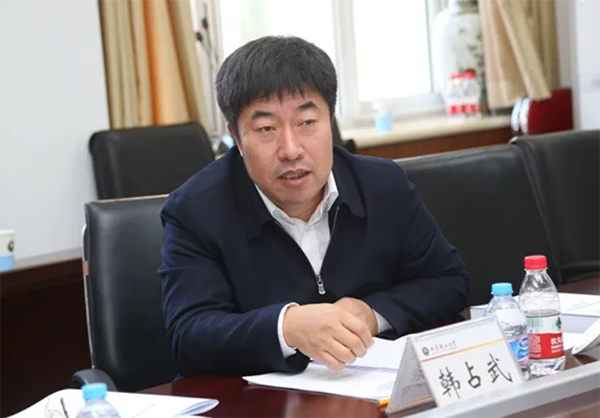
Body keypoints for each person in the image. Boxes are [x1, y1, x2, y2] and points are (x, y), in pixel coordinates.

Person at [158, 36, 469, 378]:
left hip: (371, 390)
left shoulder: (383, 186)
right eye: (266, 128)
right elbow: (189, 335)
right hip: (256, 399)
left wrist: (370, 313)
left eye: (307, 123)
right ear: (236, 138)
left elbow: (448, 281)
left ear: (330, 120)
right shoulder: (195, 211)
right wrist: (287, 327)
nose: (291, 150)